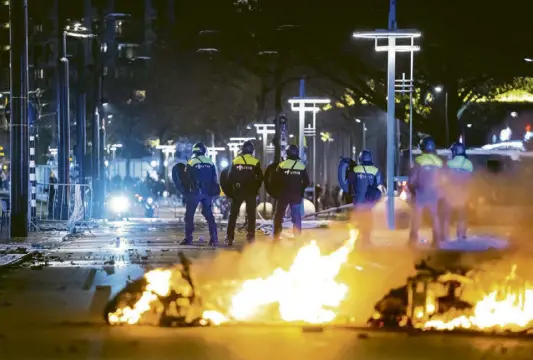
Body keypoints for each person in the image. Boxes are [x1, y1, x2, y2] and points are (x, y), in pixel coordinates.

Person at [408, 136, 445, 248]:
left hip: (420, 193)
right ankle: (437, 241)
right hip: (434, 194)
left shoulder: (419, 160)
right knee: (435, 217)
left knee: (417, 218)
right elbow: (443, 179)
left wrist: (413, 191)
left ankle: (412, 241)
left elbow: (412, 179)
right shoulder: (439, 161)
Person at [180, 142, 220, 246]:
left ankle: (188, 239)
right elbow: (214, 177)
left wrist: (185, 192)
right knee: (208, 214)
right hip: (208, 193)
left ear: (194, 151)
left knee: (189, 215)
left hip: (195, 192)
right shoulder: (210, 162)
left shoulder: (191, 162)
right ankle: (214, 238)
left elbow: (186, 179)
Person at [225, 140, 263, 246]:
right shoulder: (255, 162)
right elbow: (260, 178)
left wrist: (232, 190)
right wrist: (256, 189)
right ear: (252, 151)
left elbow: (229, 177)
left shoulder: (236, 160)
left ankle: (229, 237)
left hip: (238, 192)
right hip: (251, 192)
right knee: (251, 215)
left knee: (233, 215)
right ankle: (251, 236)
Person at [272, 144, 310, 241]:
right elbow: (307, 182)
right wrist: (300, 190)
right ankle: (297, 237)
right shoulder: (301, 166)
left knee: (279, 215)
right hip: (296, 195)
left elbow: (275, 180)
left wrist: (278, 191)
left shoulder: (282, 165)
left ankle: (276, 236)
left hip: (283, 195)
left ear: (287, 153)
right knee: (296, 216)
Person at [347, 150, 383, 246]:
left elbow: (348, 182)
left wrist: (350, 168)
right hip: (369, 202)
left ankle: (356, 241)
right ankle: (366, 240)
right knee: (368, 220)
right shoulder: (376, 171)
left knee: (358, 221)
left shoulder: (355, 169)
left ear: (360, 159)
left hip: (358, 201)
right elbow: (380, 188)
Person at [442, 142, 473, 241]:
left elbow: (443, 179)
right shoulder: (469, 164)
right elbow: (471, 180)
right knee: (462, 216)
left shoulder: (449, 164)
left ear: (455, 151)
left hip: (450, 194)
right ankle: (461, 235)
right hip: (463, 194)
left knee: (446, 215)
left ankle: (445, 235)